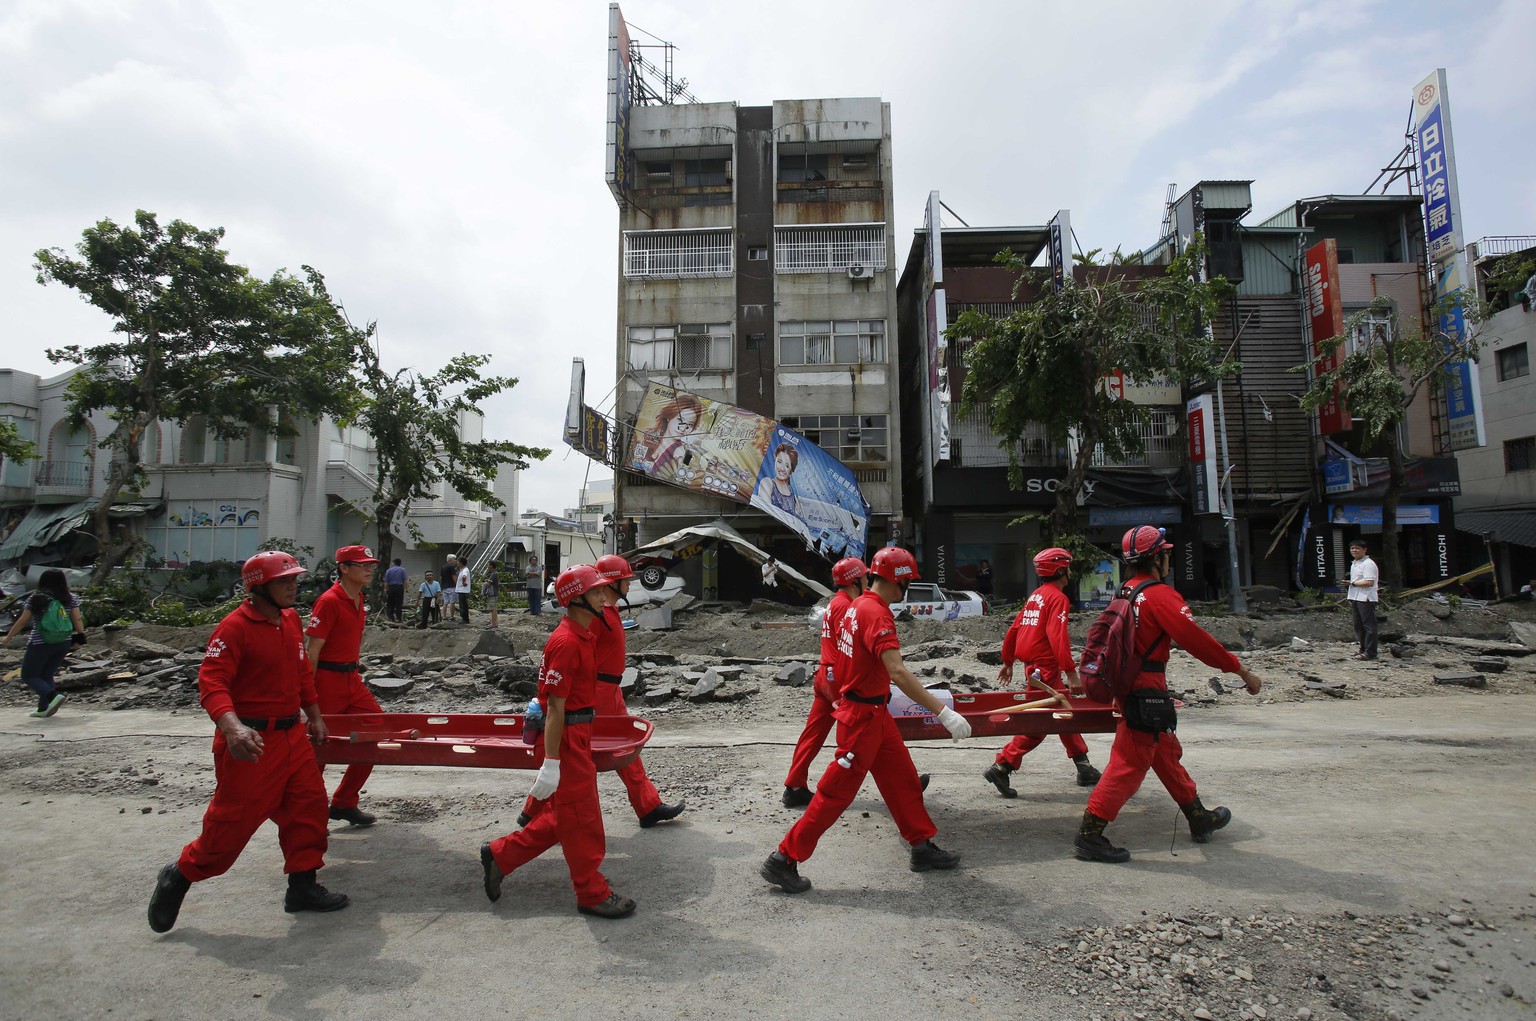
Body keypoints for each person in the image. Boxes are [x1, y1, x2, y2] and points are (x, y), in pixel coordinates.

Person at [146, 551, 348, 933]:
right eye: (283, 581)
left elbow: (302, 672)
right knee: (231, 826)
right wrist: (232, 728)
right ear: (258, 587)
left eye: (294, 579)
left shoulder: (288, 620)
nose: (293, 586)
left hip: (292, 737)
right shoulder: (234, 628)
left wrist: (316, 715)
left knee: (308, 810)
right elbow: (212, 684)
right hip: (252, 744)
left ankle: (302, 887)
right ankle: (181, 873)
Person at [759, 547, 972, 894]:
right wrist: (942, 711)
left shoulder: (857, 607)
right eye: (907, 583)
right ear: (900, 581)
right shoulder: (876, 613)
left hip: (872, 713)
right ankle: (783, 858)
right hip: (863, 718)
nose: (907, 589)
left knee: (903, 779)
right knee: (834, 794)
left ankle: (921, 847)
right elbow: (898, 672)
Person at [1074, 526, 1264, 864]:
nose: (1169, 559)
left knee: (1164, 752)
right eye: (1166, 553)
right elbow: (1197, 640)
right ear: (1157, 558)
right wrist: (1240, 670)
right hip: (1146, 689)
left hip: (1128, 686)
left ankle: (1197, 816)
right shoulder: (1159, 595)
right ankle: (1090, 834)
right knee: (1130, 761)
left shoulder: (1125, 591)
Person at [480, 565, 636, 919]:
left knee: (568, 816)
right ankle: (591, 893)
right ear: (576, 599)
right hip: (565, 737)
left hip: (577, 733)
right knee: (584, 820)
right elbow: (554, 708)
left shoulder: (584, 633)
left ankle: (501, 854)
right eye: (596, 591)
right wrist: (551, 764)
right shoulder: (566, 642)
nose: (604, 596)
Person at [982, 547, 1102, 798]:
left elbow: (1016, 628)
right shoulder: (1058, 598)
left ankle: (1084, 766)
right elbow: (1057, 635)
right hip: (1045, 669)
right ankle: (1002, 765)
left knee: (1062, 714)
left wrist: (1008, 660)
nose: (1070, 571)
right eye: (1067, 566)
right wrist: (1071, 672)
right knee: (1039, 723)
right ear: (1060, 570)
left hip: (1034, 668)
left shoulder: (1036, 595)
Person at [588, 554, 684, 827]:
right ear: (611, 584)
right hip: (597, 692)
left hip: (610, 691)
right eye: (625, 580)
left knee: (627, 748)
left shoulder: (610, 611)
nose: (630, 585)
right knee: (573, 753)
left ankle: (648, 806)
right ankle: (537, 811)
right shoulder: (596, 615)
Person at [305, 545, 384, 827]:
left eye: (371, 565)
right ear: (343, 568)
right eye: (362, 565)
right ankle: (309, 818)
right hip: (326, 680)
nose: (369, 569)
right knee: (318, 748)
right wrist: (308, 697)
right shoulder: (328, 601)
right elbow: (311, 651)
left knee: (376, 730)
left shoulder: (359, 598)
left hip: (351, 679)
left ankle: (343, 802)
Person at [781, 557, 867, 808]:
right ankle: (903, 787)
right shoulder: (845, 606)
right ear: (854, 580)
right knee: (867, 731)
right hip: (837, 678)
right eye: (864, 577)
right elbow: (849, 647)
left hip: (825, 676)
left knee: (813, 734)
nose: (867, 581)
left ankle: (795, 786)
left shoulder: (836, 603)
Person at [2, 568, 86, 718]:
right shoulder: (70, 597)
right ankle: (44, 709)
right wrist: (81, 638)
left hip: (41, 642)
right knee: (46, 674)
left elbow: (22, 621)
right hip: (63, 641)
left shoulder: (36, 598)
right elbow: (77, 619)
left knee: (28, 675)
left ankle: (52, 696)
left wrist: (8, 638)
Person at [641, 393, 703, 475]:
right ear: (669, 416)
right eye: (680, 420)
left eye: (690, 424)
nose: (683, 428)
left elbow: (683, 477)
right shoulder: (651, 436)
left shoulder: (682, 451)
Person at [1345, 540, 1380, 661]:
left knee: (1369, 626)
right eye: (1352, 548)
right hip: (1356, 597)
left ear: (1365, 550)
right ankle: (1363, 649)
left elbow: (1369, 582)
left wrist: (1352, 583)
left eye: (1357, 548)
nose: (1354, 550)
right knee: (1358, 625)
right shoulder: (1355, 563)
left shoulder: (1368, 564)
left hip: (1366, 598)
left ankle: (1370, 653)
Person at [754, 445, 801, 517]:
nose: (782, 468)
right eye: (779, 461)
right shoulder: (767, 483)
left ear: (792, 470)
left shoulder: (794, 496)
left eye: (787, 466)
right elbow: (766, 510)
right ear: (775, 460)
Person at [383, 558, 407, 623]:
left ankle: (391, 617)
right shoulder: (403, 570)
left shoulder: (389, 570)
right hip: (399, 587)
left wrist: (385, 589)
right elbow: (405, 580)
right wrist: (406, 588)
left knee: (390, 603)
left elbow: (386, 581)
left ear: (394, 563)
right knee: (399, 603)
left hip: (391, 588)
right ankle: (399, 618)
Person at [482, 563, 501, 628]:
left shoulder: (494, 574)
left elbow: (489, 584)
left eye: (488, 565)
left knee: (493, 608)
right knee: (493, 608)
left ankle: (494, 623)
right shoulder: (495, 573)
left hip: (493, 593)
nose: (487, 567)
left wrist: (486, 583)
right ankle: (494, 623)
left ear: (491, 566)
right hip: (495, 592)